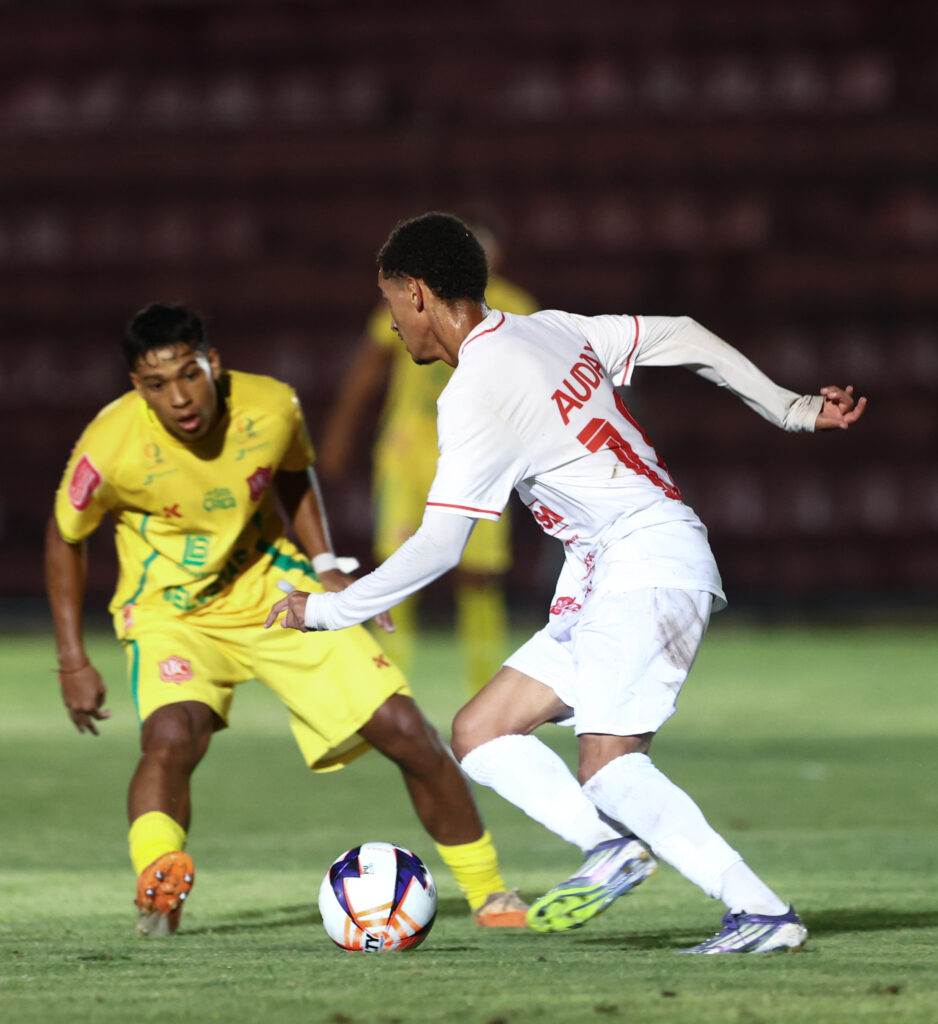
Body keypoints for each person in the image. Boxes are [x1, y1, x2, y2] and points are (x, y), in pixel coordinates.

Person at [266, 212, 867, 954]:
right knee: (481, 733)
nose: (391, 325)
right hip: (613, 574)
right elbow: (679, 331)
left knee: (611, 768)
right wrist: (791, 408)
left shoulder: (476, 390)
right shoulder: (546, 329)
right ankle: (609, 849)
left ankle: (761, 911)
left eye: (391, 304)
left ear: (417, 294)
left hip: (644, 566)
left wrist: (327, 611)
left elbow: (440, 546)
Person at [45, 301, 528, 937]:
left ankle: (490, 894)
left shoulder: (271, 406)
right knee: (170, 736)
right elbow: (64, 536)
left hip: (275, 594)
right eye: (157, 385)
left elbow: (293, 476)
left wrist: (325, 562)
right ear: (138, 387)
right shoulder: (109, 445)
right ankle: (159, 886)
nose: (179, 398)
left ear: (211, 362)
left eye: (188, 374)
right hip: (174, 614)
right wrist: (73, 659)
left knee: (405, 727)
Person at [317, 223, 538, 694]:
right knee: (399, 565)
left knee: (479, 575)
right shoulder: (412, 301)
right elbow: (368, 370)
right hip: (408, 450)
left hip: (480, 450)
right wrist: (339, 434)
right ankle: (388, 686)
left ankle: (485, 687)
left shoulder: (516, 307)